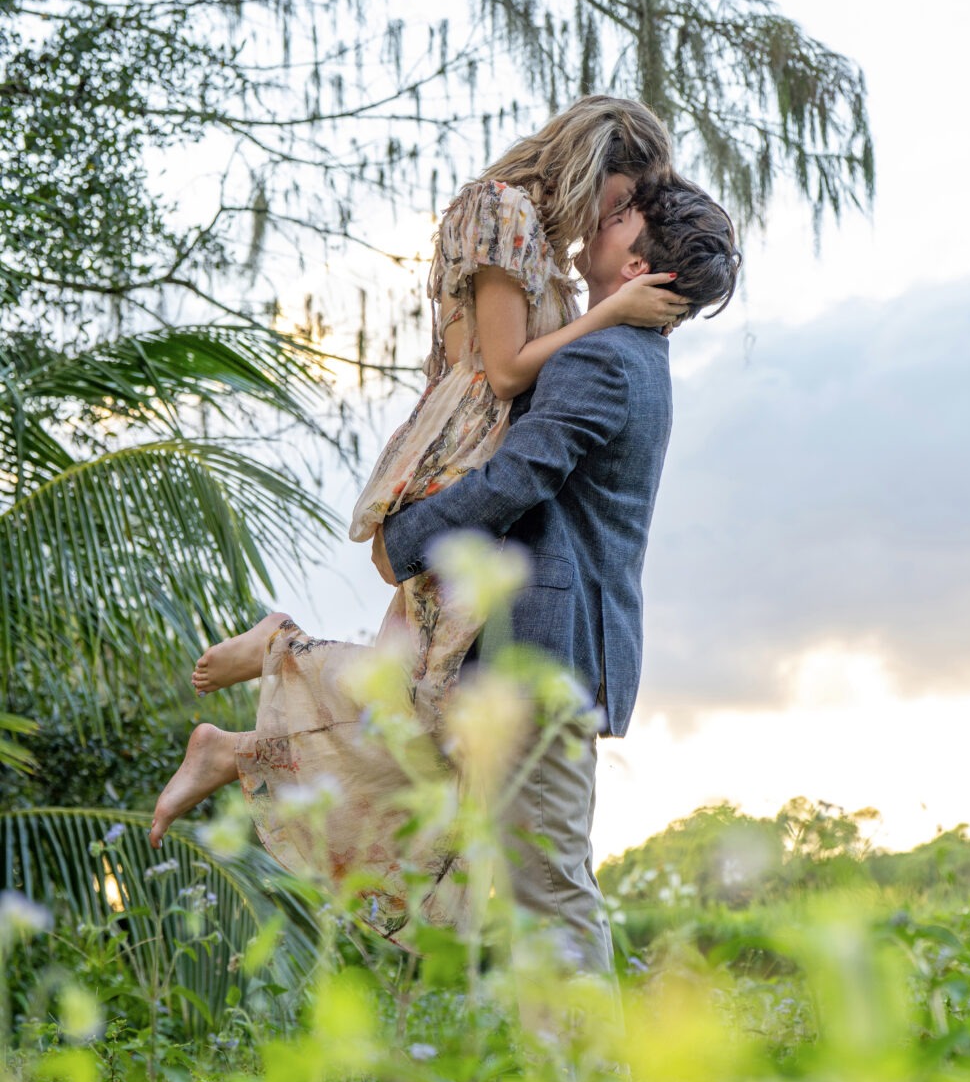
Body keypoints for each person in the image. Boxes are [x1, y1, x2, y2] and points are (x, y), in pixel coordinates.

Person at [150, 99, 683, 894]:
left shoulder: (539, 244)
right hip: (461, 459)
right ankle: (275, 651)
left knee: (413, 728)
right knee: (418, 714)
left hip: (484, 464)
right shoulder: (500, 210)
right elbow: (504, 371)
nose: (611, 219)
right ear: (592, 164)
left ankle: (238, 746)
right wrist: (610, 312)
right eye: (620, 199)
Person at [371, 174, 740, 972]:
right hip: (563, 651)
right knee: (528, 881)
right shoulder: (629, 353)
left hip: (547, 653)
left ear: (638, 268)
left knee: (550, 888)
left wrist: (402, 541)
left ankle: (587, 1062)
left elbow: (519, 477)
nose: (601, 218)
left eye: (621, 218)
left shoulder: (602, 357)